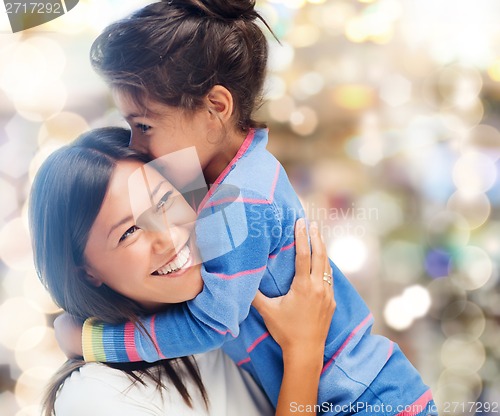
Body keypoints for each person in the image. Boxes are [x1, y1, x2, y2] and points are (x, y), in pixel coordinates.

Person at [57, 1, 437, 414]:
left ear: (216, 108)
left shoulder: (242, 198)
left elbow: (210, 324)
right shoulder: (236, 169)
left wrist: (92, 339)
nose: (135, 144)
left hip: (364, 400)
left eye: (144, 125)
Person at [29, 127, 335, 415]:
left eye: (164, 200)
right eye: (129, 231)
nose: (168, 236)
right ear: (86, 273)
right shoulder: (94, 396)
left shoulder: (233, 297)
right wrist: (304, 350)